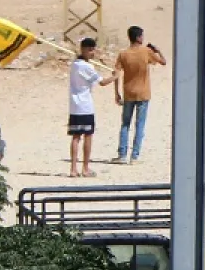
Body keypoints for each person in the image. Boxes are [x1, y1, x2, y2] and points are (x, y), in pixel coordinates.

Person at [114, 26, 165, 164]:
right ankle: (135, 156)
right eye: (142, 36)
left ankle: (122, 154)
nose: (143, 38)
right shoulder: (146, 51)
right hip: (143, 93)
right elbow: (163, 62)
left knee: (125, 124)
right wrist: (158, 50)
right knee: (140, 125)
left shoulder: (123, 54)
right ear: (138, 37)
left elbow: (116, 74)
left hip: (128, 92)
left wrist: (116, 93)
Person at [69, 38, 118, 177]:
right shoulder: (86, 67)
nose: (92, 52)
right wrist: (115, 76)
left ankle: (73, 168)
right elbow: (102, 82)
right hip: (85, 106)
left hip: (74, 105)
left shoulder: (75, 64)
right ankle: (85, 168)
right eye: (90, 50)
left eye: (93, 49)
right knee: (87, 136)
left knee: (76, 137)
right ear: (83, 49)